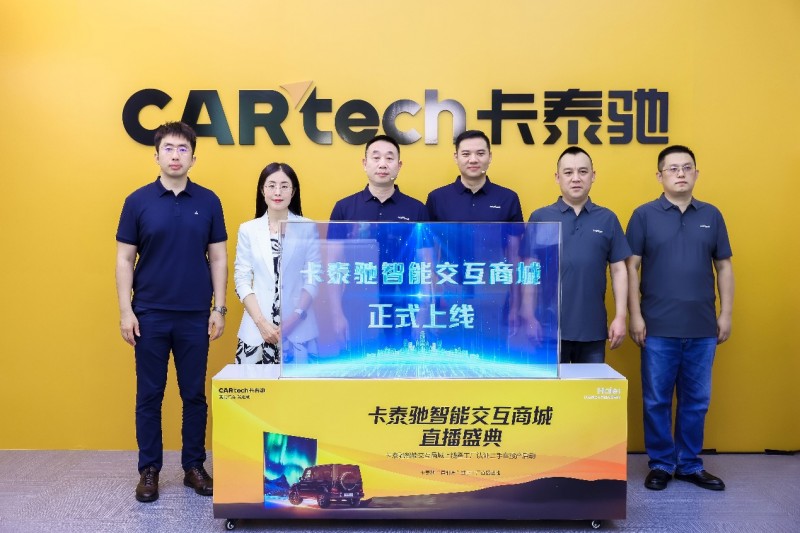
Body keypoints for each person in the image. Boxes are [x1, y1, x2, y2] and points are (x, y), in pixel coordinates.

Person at [116, 121, 227, 503]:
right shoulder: (137, 201)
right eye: (169, 148)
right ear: (156, 155)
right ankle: (149, 470)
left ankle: (194, 467)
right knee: (149, 395)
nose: (175, 155)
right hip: (149, 314)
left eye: (183, 149)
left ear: (193, 158)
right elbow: (124, 259)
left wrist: (219, 308)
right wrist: (126, 311)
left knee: (194, 395)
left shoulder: (208, 201)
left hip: (195, 314)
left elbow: (218, 257)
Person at [626, 145, 734, 492]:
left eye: (687, 167)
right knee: (656, 400)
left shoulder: (712, 215)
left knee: (696, 401)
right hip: (657, 327)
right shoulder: (643, 215)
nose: (680, 174)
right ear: (659, 176)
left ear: (696, 173)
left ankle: (689, 464)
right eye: (672, 168)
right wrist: (635, 316)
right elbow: (630, 267)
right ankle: (661, 463)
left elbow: (724, 267)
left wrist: (726, 314)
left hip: (702, 327)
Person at [521, 147, 631, 363]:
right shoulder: (541, 217)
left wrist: (620, 316)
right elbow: (529, 272)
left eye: (582, 171)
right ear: (557, 177)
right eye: (568, 172)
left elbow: (619, 270)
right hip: (548, 329)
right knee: (551, 387)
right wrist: (528, 315)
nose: (576, 178)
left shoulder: (607, 219)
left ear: (593, 176)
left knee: (590, 386)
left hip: (592, 329)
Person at [328, 134, 428, 343]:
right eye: (376, 157)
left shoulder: (417, 209)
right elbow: (333, 266)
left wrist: (423, 313)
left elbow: (425, 265)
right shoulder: (344, 208)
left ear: (399, 165)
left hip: (404, 305)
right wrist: (336, 313)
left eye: (389, 158)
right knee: (358, 359)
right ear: (365, 163)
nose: (383, 164)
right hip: (357, 305)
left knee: (403, 360)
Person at [425, 129, 524, 341]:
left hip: (494, 294)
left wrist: (516, 306)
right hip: (449, 292)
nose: (473, 159)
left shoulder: (508, 198)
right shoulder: (437, 198)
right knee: (449, 354)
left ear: (490, 156)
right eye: (466, 154)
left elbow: (515, 257)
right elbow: (428, 258)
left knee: (493, 354)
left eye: (480, 153)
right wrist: (430, 304)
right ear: (456, 157)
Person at [234, 163, 320, 365]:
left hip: (300, 329)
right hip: (257, 331)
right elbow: (242, 279)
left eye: (284, 186)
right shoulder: (248, 230)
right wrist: (261, 323)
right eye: (271, 185)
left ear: (293, 191)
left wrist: (295, 318)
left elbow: (314, 277)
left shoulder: (308, 227)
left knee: (301, 386)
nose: (278, 192)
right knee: (254, 385)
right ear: (262, 190)